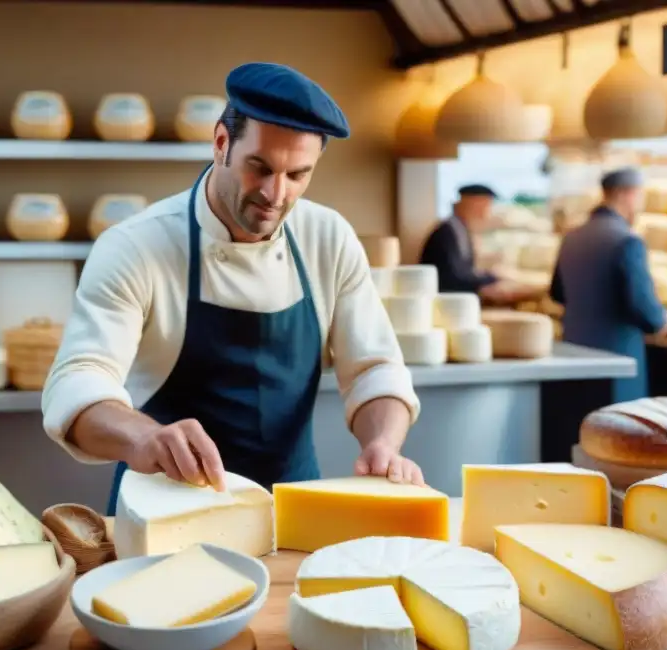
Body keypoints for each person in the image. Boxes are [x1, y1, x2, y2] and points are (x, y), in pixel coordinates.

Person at [41, 62, 424, 515]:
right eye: (259, 168)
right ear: (221, 143)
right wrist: (143, 436)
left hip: (293, 509)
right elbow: (77, 381)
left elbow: (374, 369)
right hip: (166, 510)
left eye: (298, 175)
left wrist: (382, 443)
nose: (275, 194)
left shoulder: (329, 238)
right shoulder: (136, 246)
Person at [549, 168, 667, 403]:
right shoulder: (627, 241)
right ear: (626, 195)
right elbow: (649, 317)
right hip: (617, 364)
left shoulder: (572, 237)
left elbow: (557, 294)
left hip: (574, 356)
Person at [418, 183, 540, 303]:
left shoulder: (460, 229)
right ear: (474, 204)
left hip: (458, 296)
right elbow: (452, 278)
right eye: (487, 205)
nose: (489, 211)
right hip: (449, 300)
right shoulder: (448, 232)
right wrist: (491, 278)